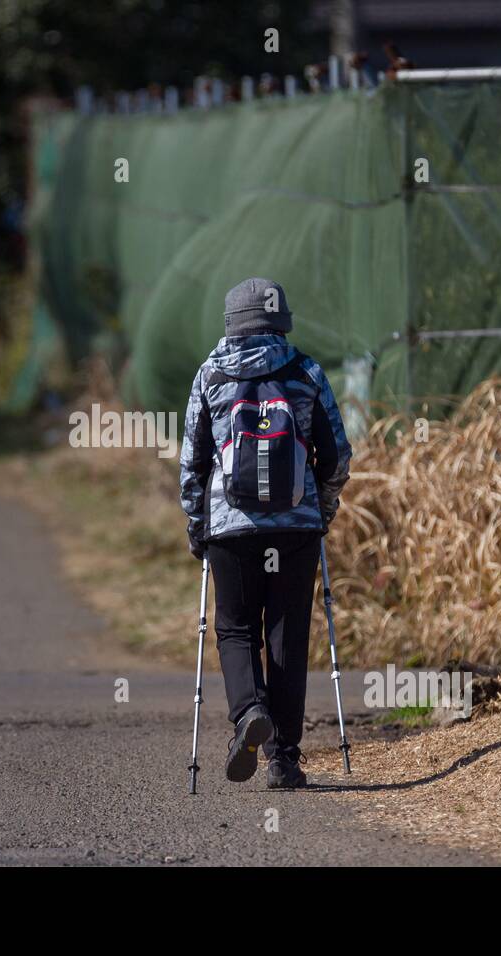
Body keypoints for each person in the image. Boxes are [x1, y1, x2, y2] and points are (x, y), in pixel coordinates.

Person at [178, 278, 351, 789]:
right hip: (295, 528)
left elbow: (193, 464)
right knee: (287, 633)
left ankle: (249, 712)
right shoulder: (305, 372)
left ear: (232, 323)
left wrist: (198, 527)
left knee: (234, 628)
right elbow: (337, 454)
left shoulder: (210, 376)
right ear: (282, 321)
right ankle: (284, 760)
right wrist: (320, 507)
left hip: (230, 529)